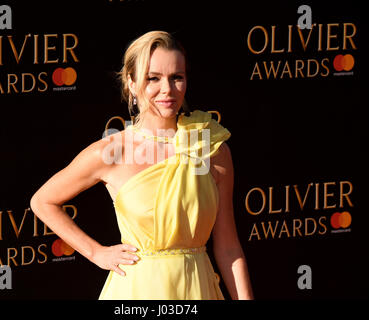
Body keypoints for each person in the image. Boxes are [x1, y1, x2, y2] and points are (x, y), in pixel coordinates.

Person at [30, 30, 253, 300]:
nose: (167, 89)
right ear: (132, 83)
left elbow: (228, 247)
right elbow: (43, 201)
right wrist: (96, 252)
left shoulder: (211, 148)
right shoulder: (113, 151)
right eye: (153, 78)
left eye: (177, 78)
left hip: (198, 290)